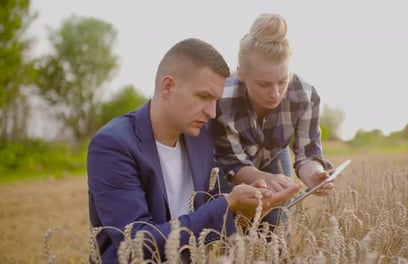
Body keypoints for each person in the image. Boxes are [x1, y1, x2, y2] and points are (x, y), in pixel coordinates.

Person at [87, 38, 300, 263]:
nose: (212, 112)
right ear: (168, 86)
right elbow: (137, 244)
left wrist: (249, 209)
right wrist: (227, 204)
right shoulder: (112, 145)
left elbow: (208, 220)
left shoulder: (201, 138)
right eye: (204, 97)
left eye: (216, 100)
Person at [209, 13, 334, 231]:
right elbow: (234, 163)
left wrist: (314, 175)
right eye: (264, 84)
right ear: (242, 74)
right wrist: (268, 179)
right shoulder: (223, 99)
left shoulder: (305, 95)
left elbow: (307, 153)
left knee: (277, 223)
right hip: (226, 164)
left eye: (282, 81)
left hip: (273, 154)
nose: (275, 93)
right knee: (228, 225)